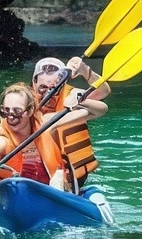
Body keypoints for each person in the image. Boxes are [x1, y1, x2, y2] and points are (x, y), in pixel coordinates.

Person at [0, 83, 90, 194]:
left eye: (17, 111)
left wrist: (79, 102)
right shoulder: (2, 140)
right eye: (5, 111)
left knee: (58, 178)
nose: (10, 117)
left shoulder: (45, 125)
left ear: (30, 111)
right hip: (11, 195)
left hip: (47, 192)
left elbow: (96, 111)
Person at [29, 57, 103, 187]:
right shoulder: (24, 100)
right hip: (35, 172)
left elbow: (102, 94)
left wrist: (84, 70)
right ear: (34, 83)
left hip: (71, 175)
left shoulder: (71, 96)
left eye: (53, 88)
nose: (48, 93)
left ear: (61, 86)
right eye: (42, 88)